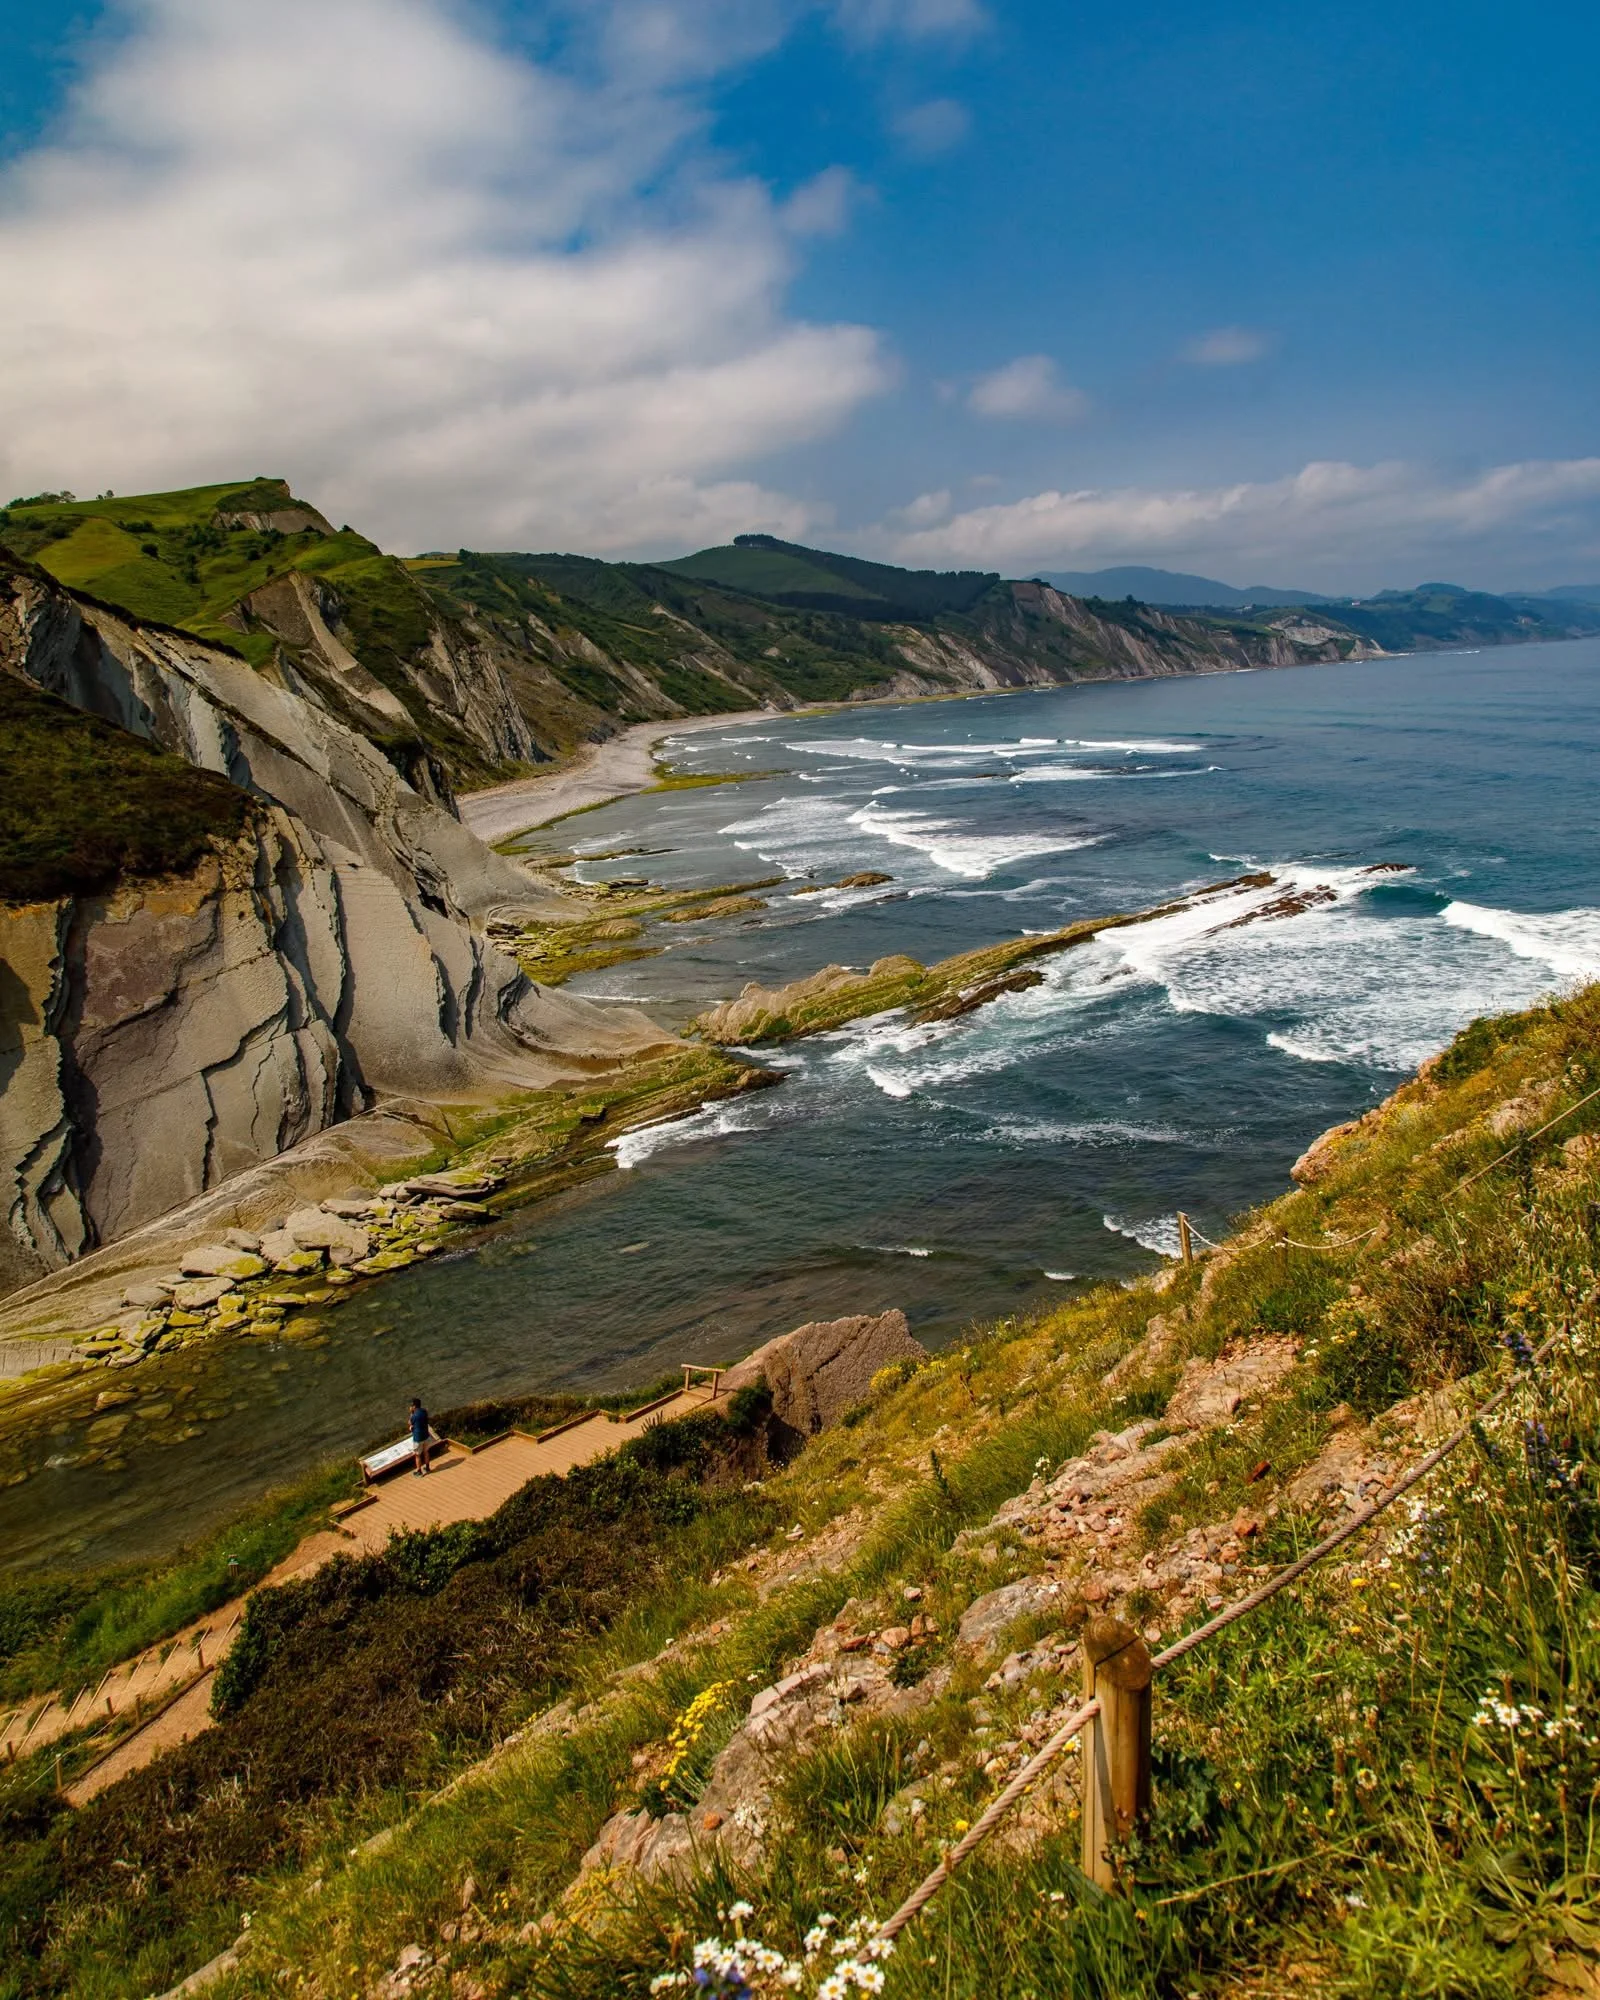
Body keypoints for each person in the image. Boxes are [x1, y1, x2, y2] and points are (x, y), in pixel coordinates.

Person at [409, 1396, 432, 1476]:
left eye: (411, 1406)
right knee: (426, 1452)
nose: (411, 1407)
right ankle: (427, 1467)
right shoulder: (424, 1411)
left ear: (414, 1406)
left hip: (418, 1438)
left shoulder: (414, 1415)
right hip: (426, 1435)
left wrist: (411, 1413)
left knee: (417, 1455)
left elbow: (410, 1423)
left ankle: (419, 1471)